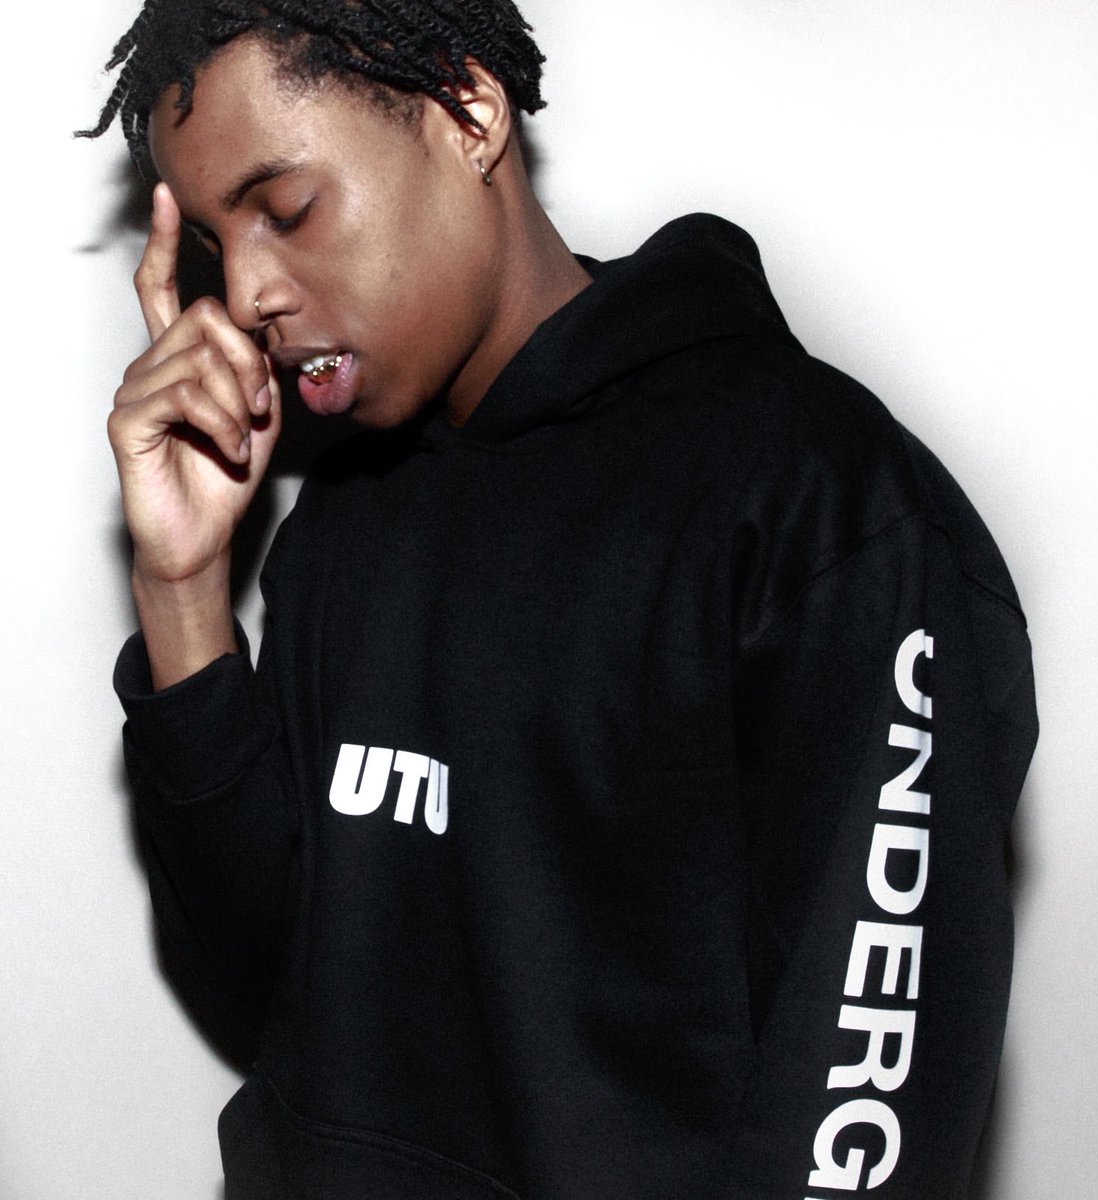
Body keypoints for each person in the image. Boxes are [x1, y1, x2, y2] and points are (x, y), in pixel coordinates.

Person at [81, 2, 1038, 1196]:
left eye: (287, 208)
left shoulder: (820, 506)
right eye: (222, 246)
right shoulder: (346, 518)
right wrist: (179, 589)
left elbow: (861, 1124)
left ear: (468, 111)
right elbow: (266, 987)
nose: (252, 293)